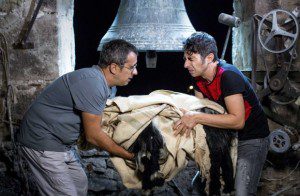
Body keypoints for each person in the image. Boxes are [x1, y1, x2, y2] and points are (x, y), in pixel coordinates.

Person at [17, 39, 138, 196]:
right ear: (114, 67)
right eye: (132, 67)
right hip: (42, 141)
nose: (135, 72)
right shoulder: (93, 83)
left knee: (80, 185)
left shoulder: (102, 84)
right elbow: (93, 136)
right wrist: (130, 156)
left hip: (62, 144)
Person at [173, 32, 270, 195]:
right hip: (227, 136)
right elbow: (201, 109)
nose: (185, 65)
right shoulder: (198, 78)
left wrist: (195, 117)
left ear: (209, 57)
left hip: (252, 138)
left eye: (191, 59)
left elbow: (238, 121)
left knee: (242, 192)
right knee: (200, 185)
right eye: (185, 59)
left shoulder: (228, 76)